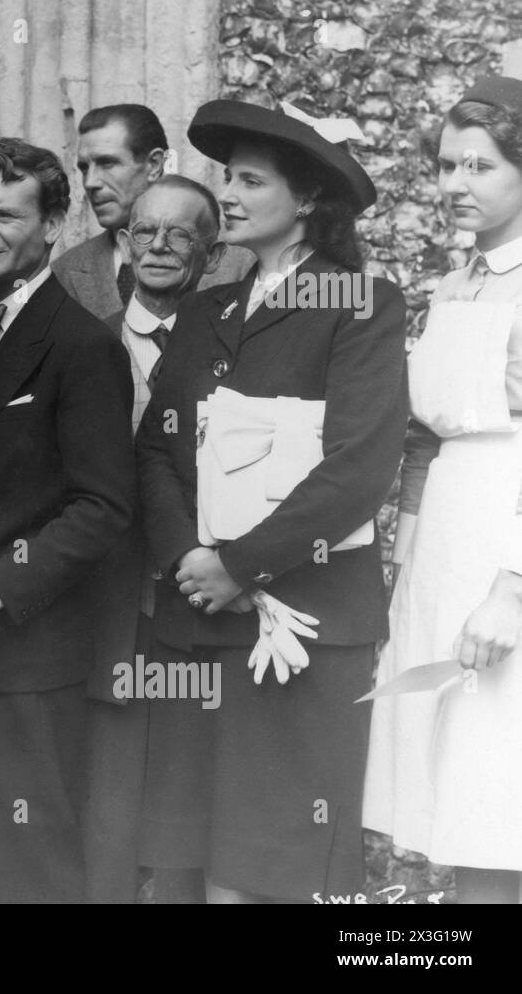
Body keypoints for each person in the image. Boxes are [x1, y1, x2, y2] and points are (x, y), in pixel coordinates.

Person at [135, 99, 408, 903]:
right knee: (181, 867)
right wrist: (190, 557)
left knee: (263, 874)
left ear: (310, 200)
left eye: (251, 180)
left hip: (302, 632)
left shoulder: (361, 304)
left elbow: (359, 467)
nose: (228, 192)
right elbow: (157, 447)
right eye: (226, 175)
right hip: (199, 626)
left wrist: (242, 565)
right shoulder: (206, 311)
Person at [0, 138, 136, 903]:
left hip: (24, 655)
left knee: (25, 875)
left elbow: (102, 506)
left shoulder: (83, 344)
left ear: (52, 224)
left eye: (4, 214)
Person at [365, 76, 522, 905]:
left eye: (481, 166)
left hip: (505, 550)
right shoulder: (456, 282)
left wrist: (509, 590)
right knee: (452, 805)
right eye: (447, 165)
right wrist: (408, 565)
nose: (455, 184)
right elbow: (424, 437)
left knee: (500, 802)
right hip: (444, 552)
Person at [84, 175, 229, 903]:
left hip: (198, 600)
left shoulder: (235, 345)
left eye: (182, 235)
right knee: (107, 803)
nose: (161, 248)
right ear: (124, 241)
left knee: (185, 806)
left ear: (212, 250)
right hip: (103, 606)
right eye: (146, 232)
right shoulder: (87, 343)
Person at [53, 103, 250, 320]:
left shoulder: (239, 263)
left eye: (107, 163)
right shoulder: (66, 272)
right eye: (83, 168)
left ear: (154, 164)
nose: (90, 183)